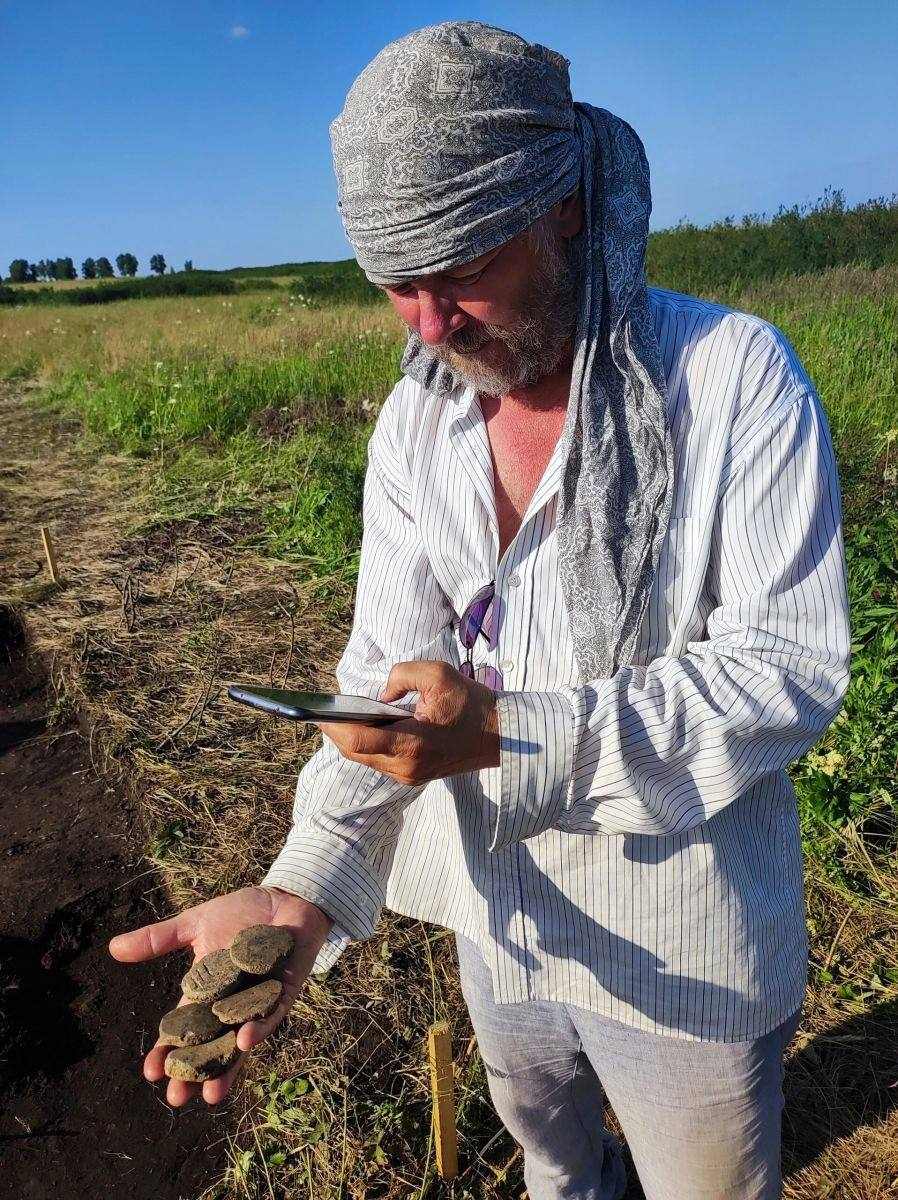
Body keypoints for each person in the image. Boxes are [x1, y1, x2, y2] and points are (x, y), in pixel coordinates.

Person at [110, 21, 851, 1199]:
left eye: (457, 271)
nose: (428, 325)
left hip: (686, 955)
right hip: (498, 929)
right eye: (396, 285)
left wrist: (507, 732)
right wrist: (301, 897)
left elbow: (783, 671)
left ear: (557, 205)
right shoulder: (421, 420)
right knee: (555, 1172)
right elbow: (380, 677)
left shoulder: (730, 377)